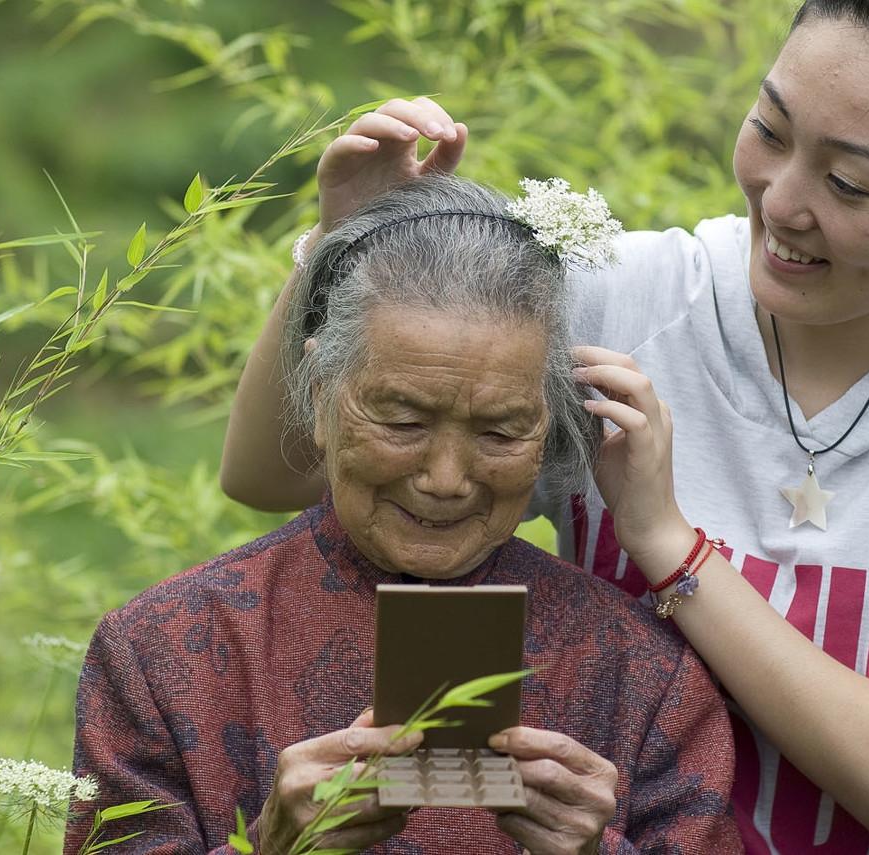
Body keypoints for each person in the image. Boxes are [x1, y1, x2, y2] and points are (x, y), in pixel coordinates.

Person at [219, 0, 869, 852]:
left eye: (851, 185)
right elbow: (274, 472)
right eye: (771, 130)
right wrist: (338, 246)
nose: (783, 199)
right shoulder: (620, 295)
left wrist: (670, 546)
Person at [67, 176, 742, 855]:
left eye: (501, 431)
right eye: (403, 419)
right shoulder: (159, 652)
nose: (446, 479)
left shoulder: (643, 677)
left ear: (552, 423)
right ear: (321, 392)